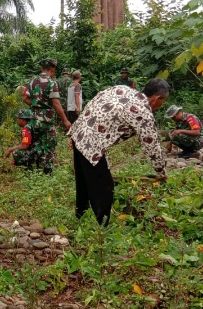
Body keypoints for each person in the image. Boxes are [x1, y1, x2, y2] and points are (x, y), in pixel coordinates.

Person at [69, 79, 170, 224]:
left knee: (84, 181)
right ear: (157, 98)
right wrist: (161, 171)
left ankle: (80, 216)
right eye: (163, 102)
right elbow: (152, 146)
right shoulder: (143, 112)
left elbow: (95, 100)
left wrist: (75, 130)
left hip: (80, 133)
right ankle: (101, 226)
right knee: (104, 186)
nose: (161, 106)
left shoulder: (123, 90)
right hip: (92, 144)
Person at [23, 58, 72, 173]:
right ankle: (47, 171)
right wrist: (65, 120)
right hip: (47, 120)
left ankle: (32, 169)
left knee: (36, 143)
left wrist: (36, 105)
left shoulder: (31, 81)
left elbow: (24, 98)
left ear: (42, 68)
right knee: (49, 145)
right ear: (52, 70)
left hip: (34, 119)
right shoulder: (51, 82)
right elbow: (55, 102)